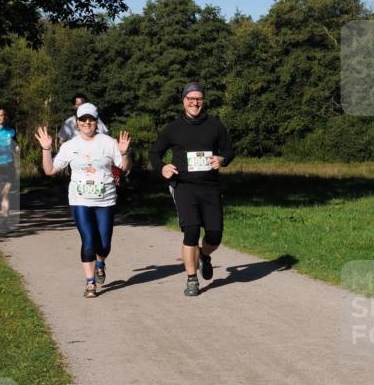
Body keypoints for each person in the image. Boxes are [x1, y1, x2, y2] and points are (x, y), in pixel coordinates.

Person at [35, 103, 131, 297]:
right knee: (88, 241)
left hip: (105, 200)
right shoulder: (70, 146)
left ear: (96, 121)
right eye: (83, 119)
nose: (87, 123)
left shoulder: (108, 142)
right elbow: (50, 170)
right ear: (77, 123)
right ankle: (90, 283)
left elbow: (125, 167)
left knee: (104, 245)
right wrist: (46, 149)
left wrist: (123, 152)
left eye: (91, 119)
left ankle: (100, 262)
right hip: (79, 199)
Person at [150, 82, 234, 297]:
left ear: (203, 101)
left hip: (210, 187)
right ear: (184, 101)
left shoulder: (215, 126)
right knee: (192, 231)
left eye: (198, 99)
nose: (195, 102)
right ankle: (191, 279)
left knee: (214, 235)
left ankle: (204, 256)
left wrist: (222, 160)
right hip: (184, 187)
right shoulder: (173, 128)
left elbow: (228, 150)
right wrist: (163, 167)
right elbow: (155, 153)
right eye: (191, 98)